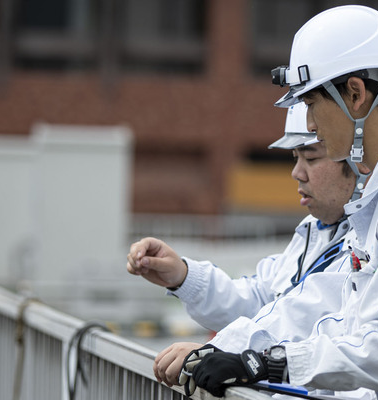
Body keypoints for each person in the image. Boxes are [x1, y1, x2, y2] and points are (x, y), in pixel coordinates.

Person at [187, 5, 378, 400]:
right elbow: (347, 323)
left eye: (312, 104)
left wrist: (269, 362)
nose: (309, 124)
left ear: (356, 95)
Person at [126, 102, 361, 389]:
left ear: (358, 161)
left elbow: (301, 317)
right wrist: (183, 277)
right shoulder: (315, 232)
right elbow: (261, 301)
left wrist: (219, 349)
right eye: (295, 158)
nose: (297, 173)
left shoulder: (368, 240)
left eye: (310, 159)